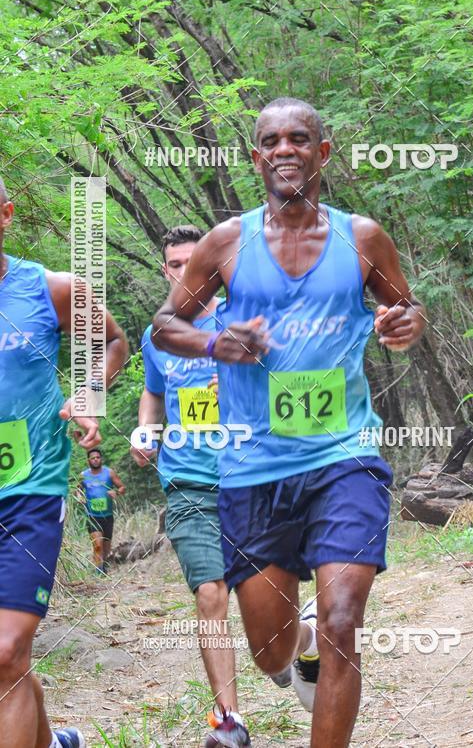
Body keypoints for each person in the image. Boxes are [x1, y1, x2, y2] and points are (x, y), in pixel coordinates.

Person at [152, 98, 427, 748]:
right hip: (255, 467)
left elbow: (408, 309)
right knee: (268, 649)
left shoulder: (362, 238)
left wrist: (406, 325)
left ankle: (321, 645)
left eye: (299, 138)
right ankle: (296, 643)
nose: (285, 150)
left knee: (343, 620)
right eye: (271, 141)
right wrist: (216, 343)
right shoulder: (227, 242)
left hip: (344, 455)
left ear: (321, 152)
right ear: (256, 159)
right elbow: (165, 326)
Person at [0, 175, 129, 748]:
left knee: (6, 649)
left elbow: (114, 341)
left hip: (31, 488)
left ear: (6, 215)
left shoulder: (48, 289)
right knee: (8, 659)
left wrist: (90, 392)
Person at [132, 225, 250, 748]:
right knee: (210, 593)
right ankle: (229, 721)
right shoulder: (157, 334)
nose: (185, 272)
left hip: (251, 477)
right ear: (165, 271)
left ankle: (300, 649)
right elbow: (153, 393)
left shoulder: (242, 316)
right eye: (175, 264)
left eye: (193, 262)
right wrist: (146, 429)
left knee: (270, 608)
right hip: (189, 482)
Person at [78, 448, 125, 574]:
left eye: (98, 457)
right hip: (92, 515)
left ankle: (103, 566)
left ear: (101, 459)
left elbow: (122, 487)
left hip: (107, 516)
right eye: (93, 458)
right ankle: (99, 572)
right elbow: (77, 490)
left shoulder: (109, 473)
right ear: (88, 460)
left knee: (106, 547)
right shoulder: (83, 475)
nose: (95, 460)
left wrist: (116, 492)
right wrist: (79, 496)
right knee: (98, 545)